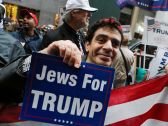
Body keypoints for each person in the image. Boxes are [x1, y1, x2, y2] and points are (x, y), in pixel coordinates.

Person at [0, 17, 123, 125]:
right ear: (87, 45)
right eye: (101, 40)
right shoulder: (59, 71)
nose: (108, 47)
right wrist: (43, 57)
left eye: (115, 44)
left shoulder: (109, 86)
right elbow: (5, 84)